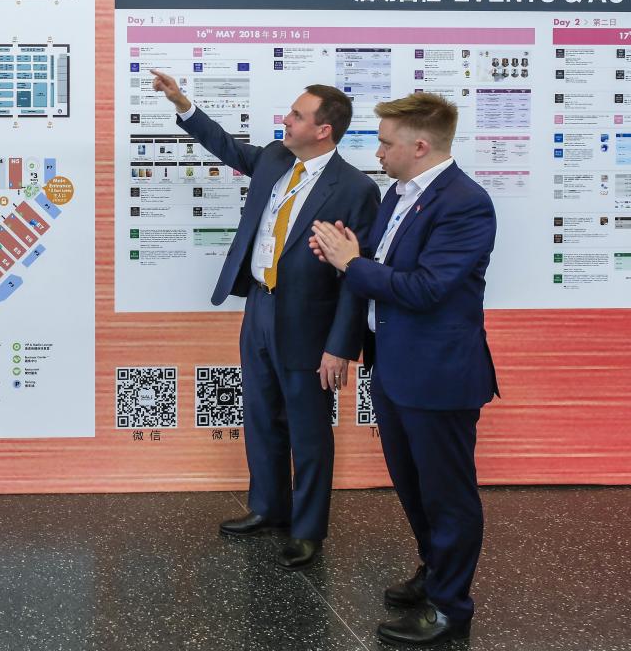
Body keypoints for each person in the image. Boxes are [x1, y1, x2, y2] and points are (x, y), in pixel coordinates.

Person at [150, 70, 380, 570]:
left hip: (309, 322)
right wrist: (182, 102)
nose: (286, 119)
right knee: (260, 414)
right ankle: (268, 507)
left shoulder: (356, 189)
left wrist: (341, 345)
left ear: (324, 130)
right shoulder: (277, 159)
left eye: (297, 115)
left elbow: (355, 278)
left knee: (309, 429)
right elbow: (228, 148)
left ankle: (307, 528)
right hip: (260, 305)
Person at [309, 92, 499, 645]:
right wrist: (349, 257)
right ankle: (436, 571)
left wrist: (355, 264)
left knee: (447, 495)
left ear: (420, 146)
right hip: (394, 367)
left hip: (439, 375)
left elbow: (426, 289)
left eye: (386, 143)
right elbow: (381, 269)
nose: (378, 153)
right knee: (414, 487)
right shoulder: (399, 194)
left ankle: (451, 607)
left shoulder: (465, 202)